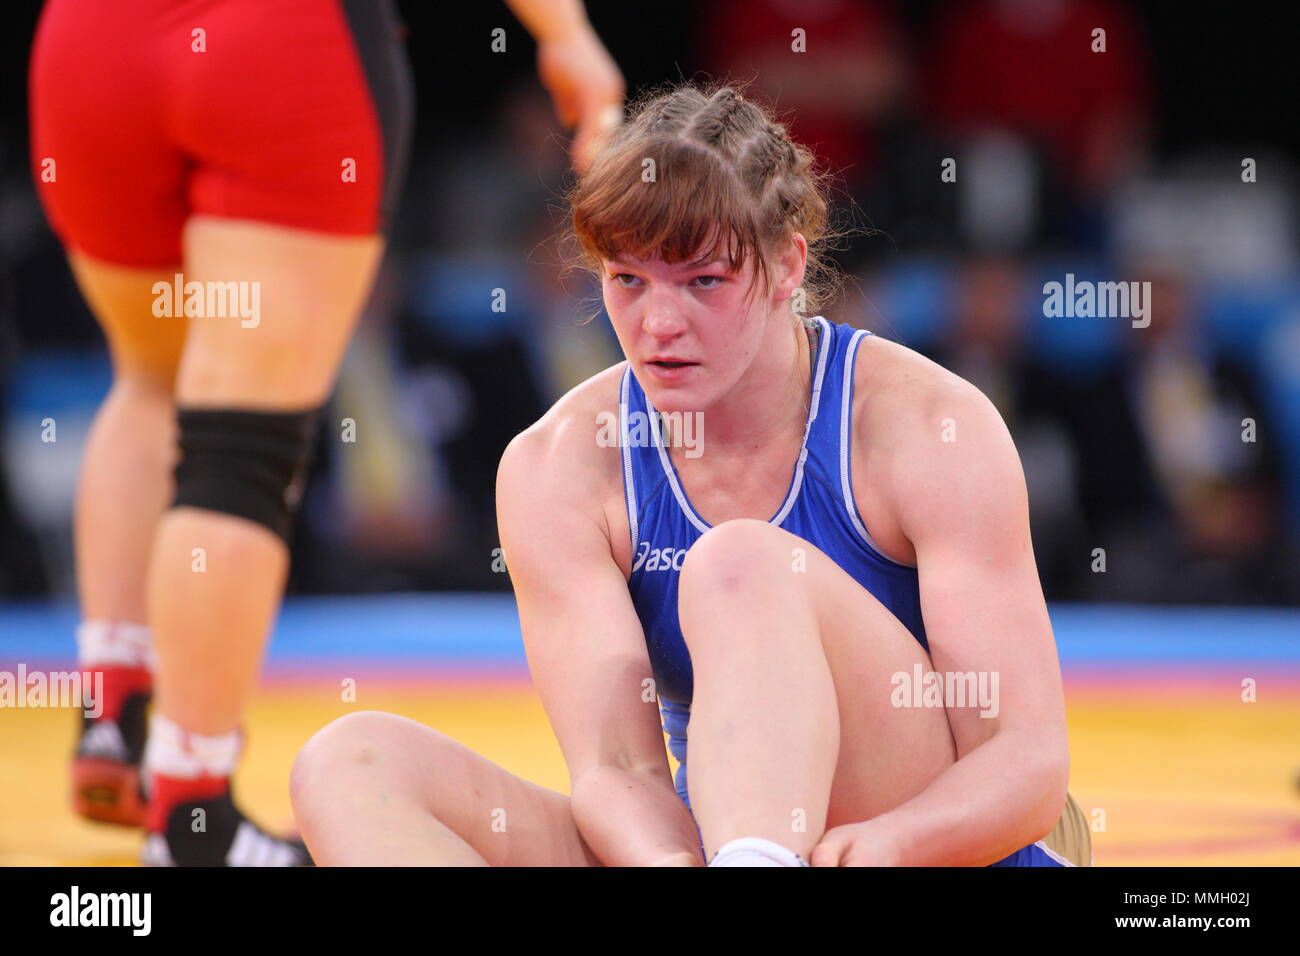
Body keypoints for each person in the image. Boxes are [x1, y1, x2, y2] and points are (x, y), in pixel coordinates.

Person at [289, 82, 1092, 866]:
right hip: (708, 840)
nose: (659, 324)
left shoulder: (922, 425)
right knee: (351, 761)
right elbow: (621, 771)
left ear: (786, 267)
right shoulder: (561, 464)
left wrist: (888, 847)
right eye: (628, 281)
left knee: (740, 564)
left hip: (920, 845)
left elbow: (1023, 763)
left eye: (704, 281)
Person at [29, 0, 623, 866]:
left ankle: (116, 712)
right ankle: (193, 819)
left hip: (93, 41)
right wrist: (566, 35)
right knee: (241, 444)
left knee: (149, 377)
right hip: (282, 44)